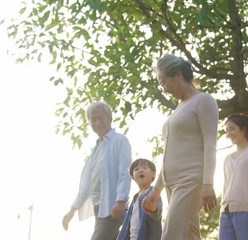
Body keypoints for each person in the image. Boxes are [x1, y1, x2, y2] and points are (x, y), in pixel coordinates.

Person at [142, 54, 219, 240]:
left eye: (163, 82)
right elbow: (169, 156)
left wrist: (208, 184)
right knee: (188, 236)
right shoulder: (178, 108)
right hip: (172, 184)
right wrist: (155, 191)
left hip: (190, 181)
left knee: (171, 236)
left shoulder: (203, 100)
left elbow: (210, 144)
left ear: (177, 74)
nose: (164, 89)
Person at [62, 101, 132, 240]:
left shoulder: (120, 141)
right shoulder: (96, 149)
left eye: (101, 118)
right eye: (93, 119)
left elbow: (125, 173)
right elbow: (87, 183)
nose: (97, 123)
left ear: (110, 118)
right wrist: (72, 210)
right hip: (99, 206)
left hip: (112, 207)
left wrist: (121, 200)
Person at [219, 113, 248, 240]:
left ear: (243, 129)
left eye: (232, 129)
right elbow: (226, 185)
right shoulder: (227, 159)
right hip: (225, 212)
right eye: (227, 130)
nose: (229, 133)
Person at [117, 158, 162, 240]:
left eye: (145, 168)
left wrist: (153, 208)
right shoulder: (135, 198)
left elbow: (157, 213)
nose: (140, 170)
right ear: (132, 177)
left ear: (153, 174)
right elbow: (129, 221)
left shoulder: (153, 193)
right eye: (136, 169)